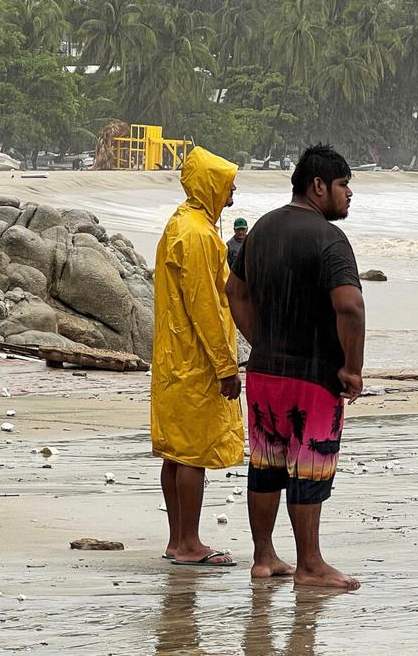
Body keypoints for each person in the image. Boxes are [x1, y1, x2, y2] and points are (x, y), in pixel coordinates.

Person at [227, 144, 365, 590]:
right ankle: (310, 565)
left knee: (266, 462)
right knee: (311, 463)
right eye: (344, 185)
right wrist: (352, 368)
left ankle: (264, 558)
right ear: (318, 185)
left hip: (265, 371)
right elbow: (351, 307)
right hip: (312, 374)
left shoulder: (262, 228)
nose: (349, 196)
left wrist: (261, 341)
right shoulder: (329, 238)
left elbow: (235, 292)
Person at [151, 146, 243, 568]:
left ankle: (177, 540)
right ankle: (189, 543)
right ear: (209, 185)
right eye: (227, 186)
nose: (231, 195)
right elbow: (207, 305)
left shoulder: (178, 224)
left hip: (173, 356)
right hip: (195, 359)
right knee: (192, 455)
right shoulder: (200, 235)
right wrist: (226, 366)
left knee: (176, 452)